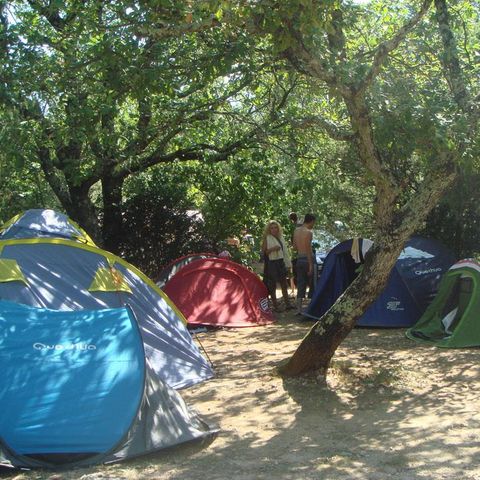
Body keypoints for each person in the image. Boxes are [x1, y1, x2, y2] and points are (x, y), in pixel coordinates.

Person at [261, 220, 295, 313]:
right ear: (269, 229)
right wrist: (273, 249)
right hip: (272, 263)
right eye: (272, 228)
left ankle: (288, 304)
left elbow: (285, 252)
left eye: (275, 227)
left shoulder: (281, 238)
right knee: (273, 286)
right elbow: (264, 253)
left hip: (281, 262)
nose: (274, 229)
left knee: (284, 283)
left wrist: (287, 264)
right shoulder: (267, 238)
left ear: (278, 228)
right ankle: (275, 306)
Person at [292, 213, 316, 314]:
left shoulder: (296, 231)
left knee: (301, 283)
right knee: (312, 283)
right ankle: (312, 306)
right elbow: (309, 250)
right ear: (311, 221)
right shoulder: (308, 233)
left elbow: (294, 247)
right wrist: (311, 265)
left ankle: (299, 309)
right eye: (313, 223)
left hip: (299, 259)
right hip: (307, 259)